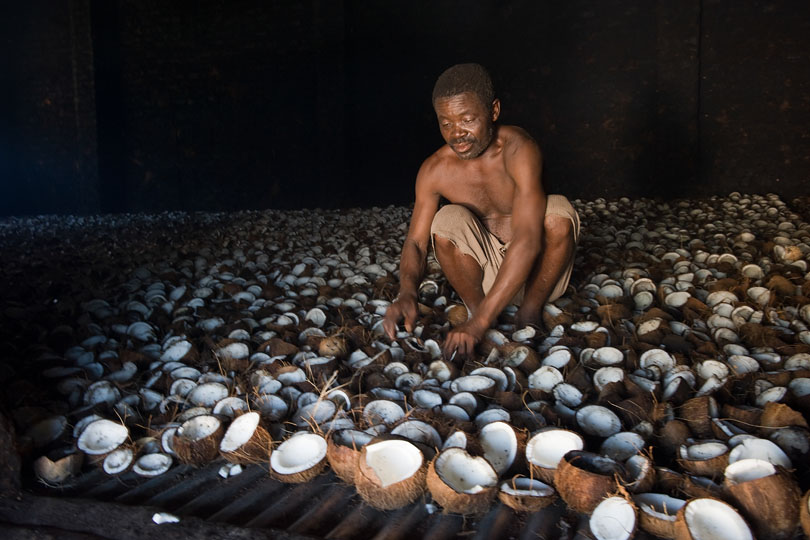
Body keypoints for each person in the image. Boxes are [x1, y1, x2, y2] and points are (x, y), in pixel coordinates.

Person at [382, 63, 580, 360]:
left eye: (467, 119)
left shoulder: (519, 149)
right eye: (445, 123)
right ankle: (480, 309)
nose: (456, 133)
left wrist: (479, 324)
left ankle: (529, 311)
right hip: (484, 280)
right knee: (446, 220)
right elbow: (415, 242)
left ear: (494, 111)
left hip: (539, 273)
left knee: (558, 211)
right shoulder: (434, 169)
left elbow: (528, 238)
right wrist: (407, 292)